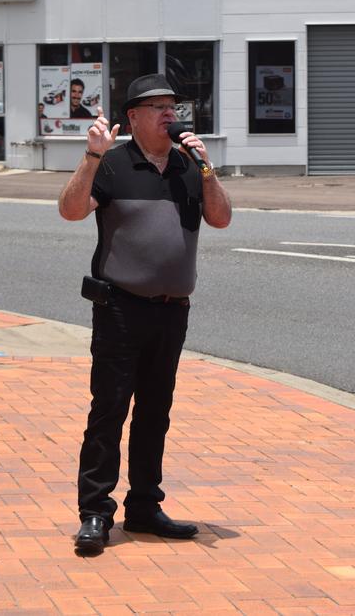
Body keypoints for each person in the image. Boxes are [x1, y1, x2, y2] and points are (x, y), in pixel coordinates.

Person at [59, 73, 232, 555]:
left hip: (172, 311)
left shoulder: (187, 166)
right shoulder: (112, 165)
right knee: (109, 410)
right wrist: (91, 156)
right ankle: (95, 512)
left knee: (155, 413)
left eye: (172, 106)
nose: (168, 114)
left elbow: (220, 219)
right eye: (156, 107)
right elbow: (71, 211)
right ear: (132, 117)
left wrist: (207, 169)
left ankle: (144, 508)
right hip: (119, 309)